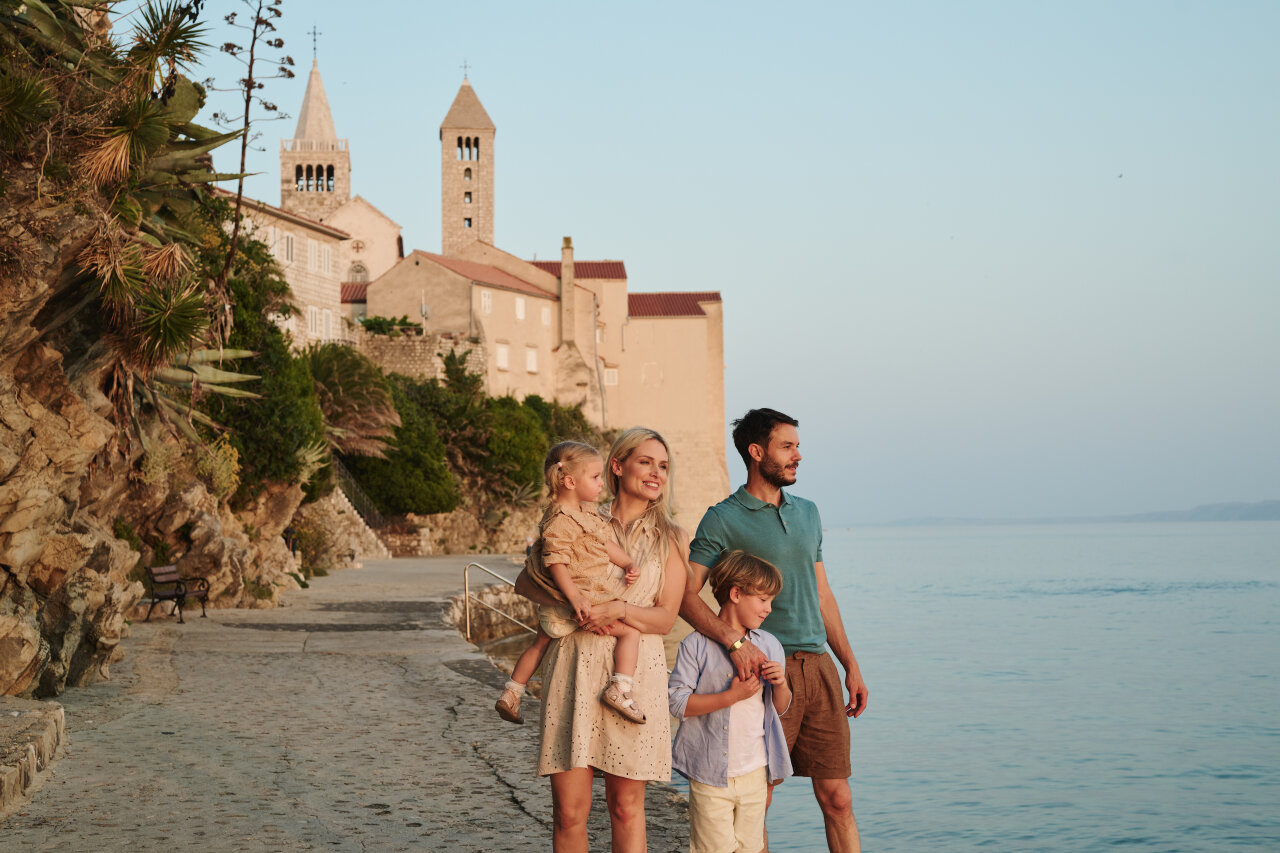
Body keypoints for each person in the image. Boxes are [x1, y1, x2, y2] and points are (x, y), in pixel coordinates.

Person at [682, 408, 870, 853]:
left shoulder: (808, 512)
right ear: (756, 451)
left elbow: (822, 594)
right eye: (787, 446)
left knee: (838, 798)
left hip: (818, 666)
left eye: (797, 446)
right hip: (763, 670)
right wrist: (736, 643)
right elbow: (686, 596)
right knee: (757, 800)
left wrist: (851, 666)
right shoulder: (721, 518)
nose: (798, 455)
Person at [514, 427, 687, 853]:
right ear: (617, 465)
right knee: (569, 813)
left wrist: (620, 611)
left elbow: (665, 619)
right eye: (645, 462)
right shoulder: (573, 515)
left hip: (633, 678)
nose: (656, 473)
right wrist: (576, 606)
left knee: (626, 807)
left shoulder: (673, 537)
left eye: (662, 466)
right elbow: (526, 582)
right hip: (572, 665)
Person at [496, 441, 646, 726]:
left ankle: (512, 692)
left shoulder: (586, 511)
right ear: (569, 481)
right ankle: (620, 688)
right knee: (630, 634)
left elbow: (603, 544)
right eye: (595, 477)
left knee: (539, 643)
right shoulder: (559, 520)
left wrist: (626, 562)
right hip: (585, 600)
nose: (602, 483)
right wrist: (576, 598)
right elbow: (556, 562)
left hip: (567, 602)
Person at [669, 550, 794, 853]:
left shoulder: (770, 645)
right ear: (736, 593)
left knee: (751, 848)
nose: (768, 609)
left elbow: (778, 709)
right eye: (763, 599)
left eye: (771, 602)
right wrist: (730, 697)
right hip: (709, 773)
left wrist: (781, 685)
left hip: (755, 771)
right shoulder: (696, 645)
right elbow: (676, 703)